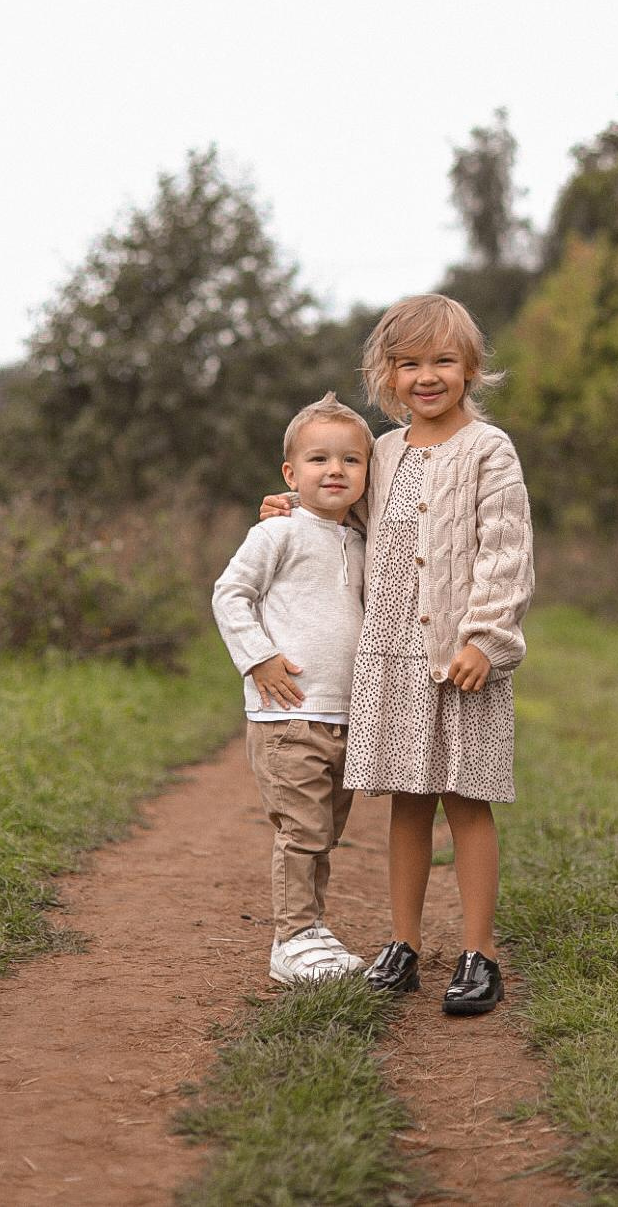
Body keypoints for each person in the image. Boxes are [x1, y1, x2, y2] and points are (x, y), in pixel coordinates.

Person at [263, 295, 533, 1015]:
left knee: (465, 801)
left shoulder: (489, 449)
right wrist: (292, 506)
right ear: (387, 374)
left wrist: (487, 638)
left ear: (470, 367)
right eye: (409, 363)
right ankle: (404, 945)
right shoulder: (383, 451)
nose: (427, 376)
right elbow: (348, 513)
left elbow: (506, 553)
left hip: (459, 658)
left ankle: (480, 952)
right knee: (407, 804)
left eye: (443, 360)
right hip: (389, 657)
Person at [212, 391, 373, 985]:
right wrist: (258, 659)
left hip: (343, 716)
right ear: (290, 473)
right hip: (288, 716)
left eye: (351, 461)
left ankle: (312, 929)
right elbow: (230, 595)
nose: (335, 470)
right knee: (301, 830)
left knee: (324, 830)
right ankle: (291, 939)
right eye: (318, 460)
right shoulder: (275, 534)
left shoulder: (358, 541)